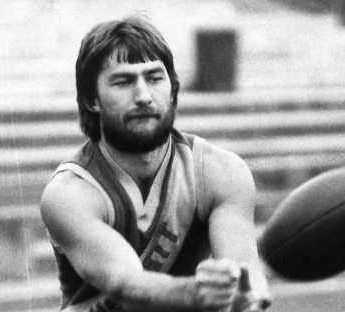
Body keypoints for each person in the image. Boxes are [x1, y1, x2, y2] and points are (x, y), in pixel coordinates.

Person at [40, 14, 271, 312]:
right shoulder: (69, 194)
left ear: (173, 89)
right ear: (91, 100)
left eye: (154, 78)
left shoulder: (220, 172)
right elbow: (126, 284)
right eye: (123, 81)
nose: (143, 96)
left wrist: (244, 294)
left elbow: (242, 274)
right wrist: (195, 293)